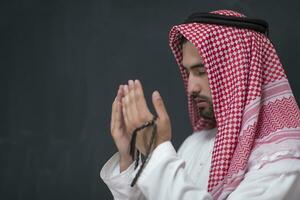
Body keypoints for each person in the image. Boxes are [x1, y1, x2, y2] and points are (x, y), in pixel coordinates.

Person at [100, 10, 300, 199]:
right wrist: (130, 156)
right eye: (188, 73)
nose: (191, 88)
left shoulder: (284, 159)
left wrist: (157, 151)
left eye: (202, 71)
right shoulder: (194, 144)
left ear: (240, 73)